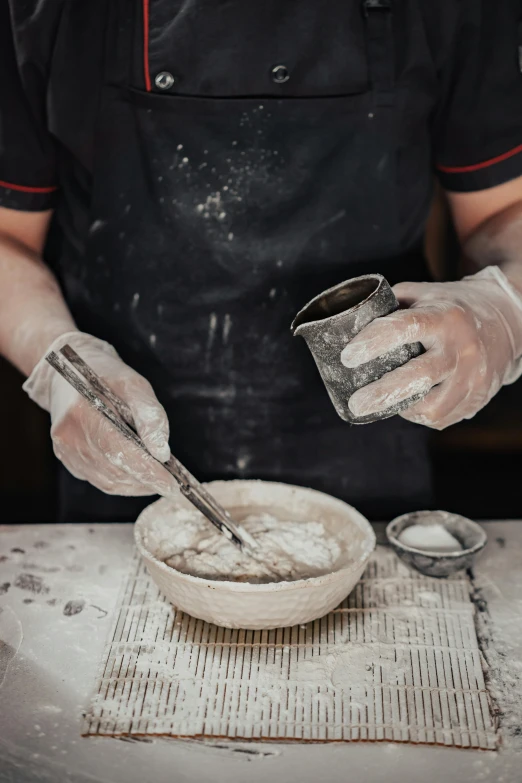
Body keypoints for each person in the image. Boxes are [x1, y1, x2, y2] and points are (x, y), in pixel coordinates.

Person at [1, 0, 522, 523]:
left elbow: (501, 209)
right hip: (122, 453)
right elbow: (7, 239)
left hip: (373, 447)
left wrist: (502, 308)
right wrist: (60, 362)